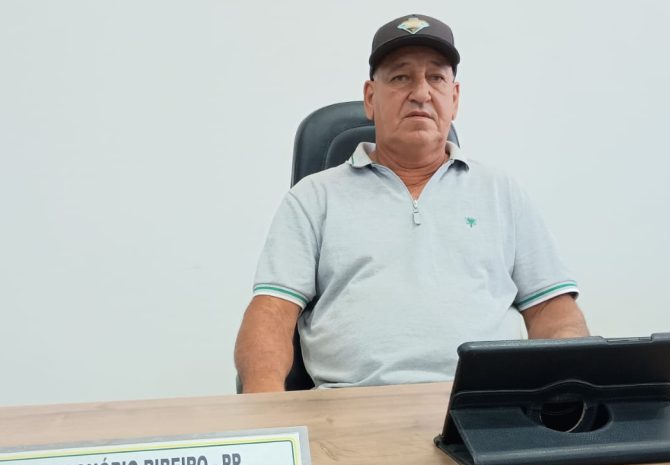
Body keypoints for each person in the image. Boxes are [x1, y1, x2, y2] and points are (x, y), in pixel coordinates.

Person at [235, 14, 589, 393]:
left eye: (436, 78)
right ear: (371, 98)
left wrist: (568, 392)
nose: (421, 93)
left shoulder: (500, 191)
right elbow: (271, 314)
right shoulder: (313, 198)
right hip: (351, 408)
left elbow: (552, 310)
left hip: (483, 404)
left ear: (454, 98)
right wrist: (267, 413)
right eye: (401, 77)